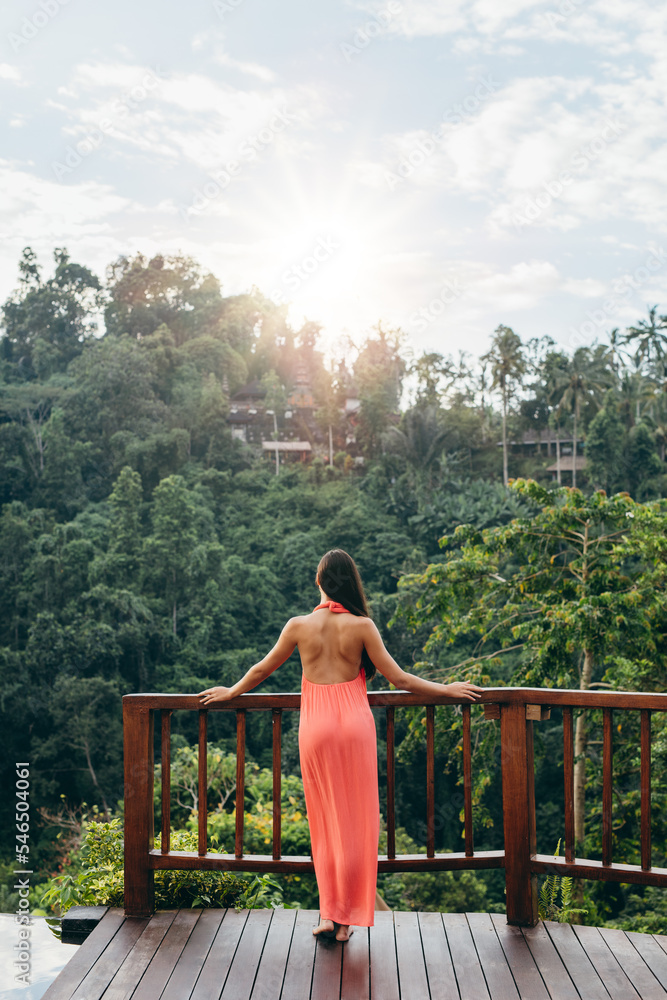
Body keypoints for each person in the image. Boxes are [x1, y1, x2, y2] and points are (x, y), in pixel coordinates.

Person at [200, 548, 483, 942]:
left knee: (325, 823)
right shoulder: (363, 626)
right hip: (354, 727)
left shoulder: (298, 625)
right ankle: (346, 922)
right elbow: (399, 679)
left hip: (315, 729)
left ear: (318, 581)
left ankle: (329, 915)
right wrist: (447, 690)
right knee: (356, 824)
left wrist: (231, 692)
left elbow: (263, 669)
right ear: (351, 583)